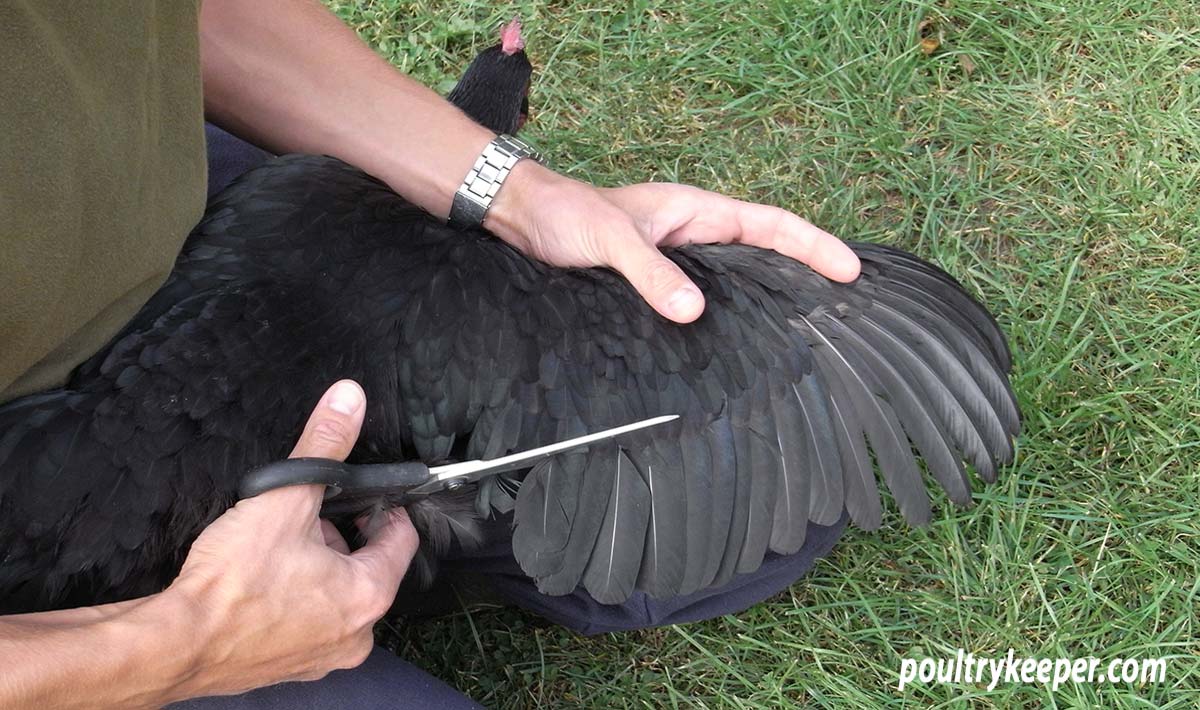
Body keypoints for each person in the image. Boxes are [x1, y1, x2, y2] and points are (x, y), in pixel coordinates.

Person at [0, 1, 859, 706]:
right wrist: (173, 645)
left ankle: (369, 529)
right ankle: (354, 538)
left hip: (143, 240)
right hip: (44, 565)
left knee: (744, 491)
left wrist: (511, 189)